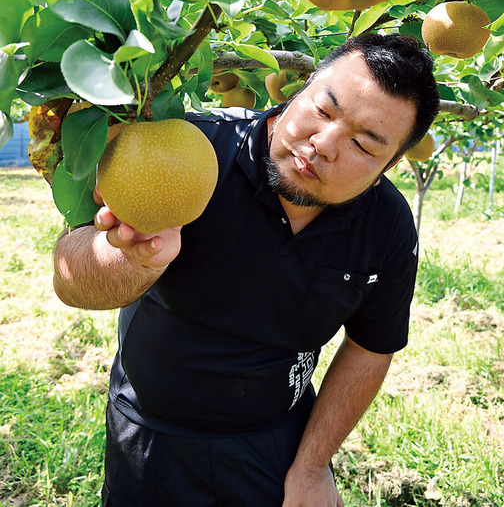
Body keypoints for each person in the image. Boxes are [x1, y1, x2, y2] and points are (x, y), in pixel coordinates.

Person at [53, 32, 439, 507]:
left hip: (276, 440)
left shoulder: (387, 226)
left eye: (363, 144)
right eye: (322, 110)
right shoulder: (189, 152)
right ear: (298, 90)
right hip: (151, 435)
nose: (323, 145)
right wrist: (133, 258)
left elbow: (371, 347)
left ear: (390, 165)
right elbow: (70, 279)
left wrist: (313, 467)